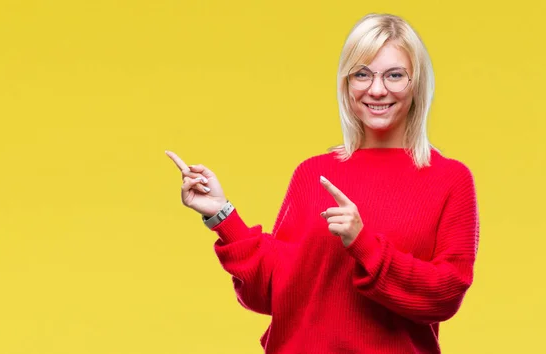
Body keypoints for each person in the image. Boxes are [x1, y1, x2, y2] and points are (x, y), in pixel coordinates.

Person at [166, 13, 479, 354]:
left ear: (416, 83)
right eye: (362, 74)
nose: (376, 89)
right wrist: (222, 215)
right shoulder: (312, 173)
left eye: (394, 75)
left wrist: (364, 244)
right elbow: (273, 290)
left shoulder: (450, 179)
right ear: (347, 84)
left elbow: (445, 294)